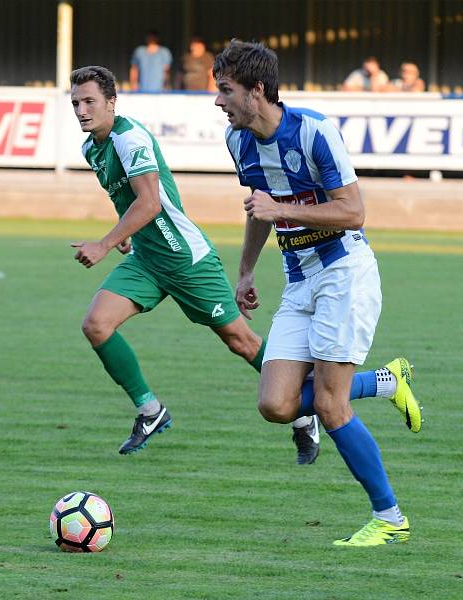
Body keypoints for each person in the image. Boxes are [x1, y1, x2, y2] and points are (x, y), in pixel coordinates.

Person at [69, 65, 421, 462]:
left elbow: (151, 201)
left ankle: (323, 409)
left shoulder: (130, 139)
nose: (82, 110)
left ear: (112, 103)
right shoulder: (92, 148)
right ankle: (150, 410)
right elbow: (134, 201)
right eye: (76, 103)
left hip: (185, 259)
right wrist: (126, 234)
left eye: (90, 102)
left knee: (243, 342)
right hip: (147, 259)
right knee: (96, 324)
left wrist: (105, 242)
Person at [213, 40, 420, 545]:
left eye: (226, 90)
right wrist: (244, 272)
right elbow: (260, 209)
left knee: (330, 407)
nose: (219, 101)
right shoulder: (238, 143)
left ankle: (390, 520)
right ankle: (384, 382)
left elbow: (353, 212)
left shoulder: (314, 131)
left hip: (343, 275)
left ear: (257, 90)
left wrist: (281, 210)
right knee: (276, 405)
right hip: (298, 280)